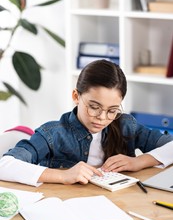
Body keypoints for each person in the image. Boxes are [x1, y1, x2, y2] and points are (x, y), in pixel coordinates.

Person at [0, 59, 173, 186]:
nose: (102, 117)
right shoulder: (52, 134)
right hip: (65, 210)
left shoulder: (126, 125)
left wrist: (138, 161)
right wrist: (63, 176)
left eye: (112, 110)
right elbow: (5, 165)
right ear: (76, 96)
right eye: (94, 107)